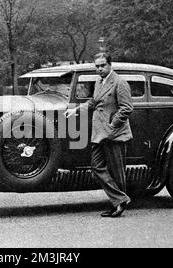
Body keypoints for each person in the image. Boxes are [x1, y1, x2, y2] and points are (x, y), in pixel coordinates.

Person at [64, 53, 134, 218]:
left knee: (117, 171)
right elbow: (93, 102)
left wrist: (112, 124)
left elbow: (127, 108)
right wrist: (76, 110)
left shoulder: (119, 82)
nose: (100, 69)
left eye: (102, 65)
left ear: (110, 65)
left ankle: (118, 204)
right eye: (97, 66)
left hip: (114, 133)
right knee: (96, 167)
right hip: (99, 133)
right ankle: (120, 199)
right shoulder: (98, 81)